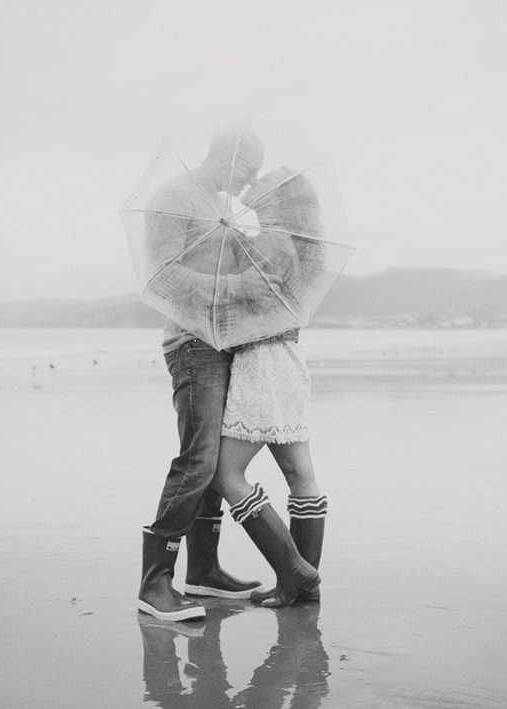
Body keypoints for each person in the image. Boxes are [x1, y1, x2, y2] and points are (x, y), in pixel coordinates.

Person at [136, 127, 282, 622]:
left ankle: (203, 570)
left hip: (222, 342)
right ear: (226, 154)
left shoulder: (220, 210)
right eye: (248, 167)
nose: (250, 179)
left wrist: (252, 253)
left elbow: (226, 272)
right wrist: (234, 281)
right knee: (198, 458)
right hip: (190, 343)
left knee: (216, 455)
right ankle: (154, 582)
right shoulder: (173, 199)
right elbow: (164, 275)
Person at [210, 168, 328, 608]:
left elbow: (253, 297)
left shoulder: (269, 240)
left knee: (225, 474)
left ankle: (295, 572)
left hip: (261, 361)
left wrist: (230, 254)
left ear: (278, 196)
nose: (253, 182)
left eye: (265, 179)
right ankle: (306, 584)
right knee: (300, 474)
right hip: (288, 361)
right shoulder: (293, 241)